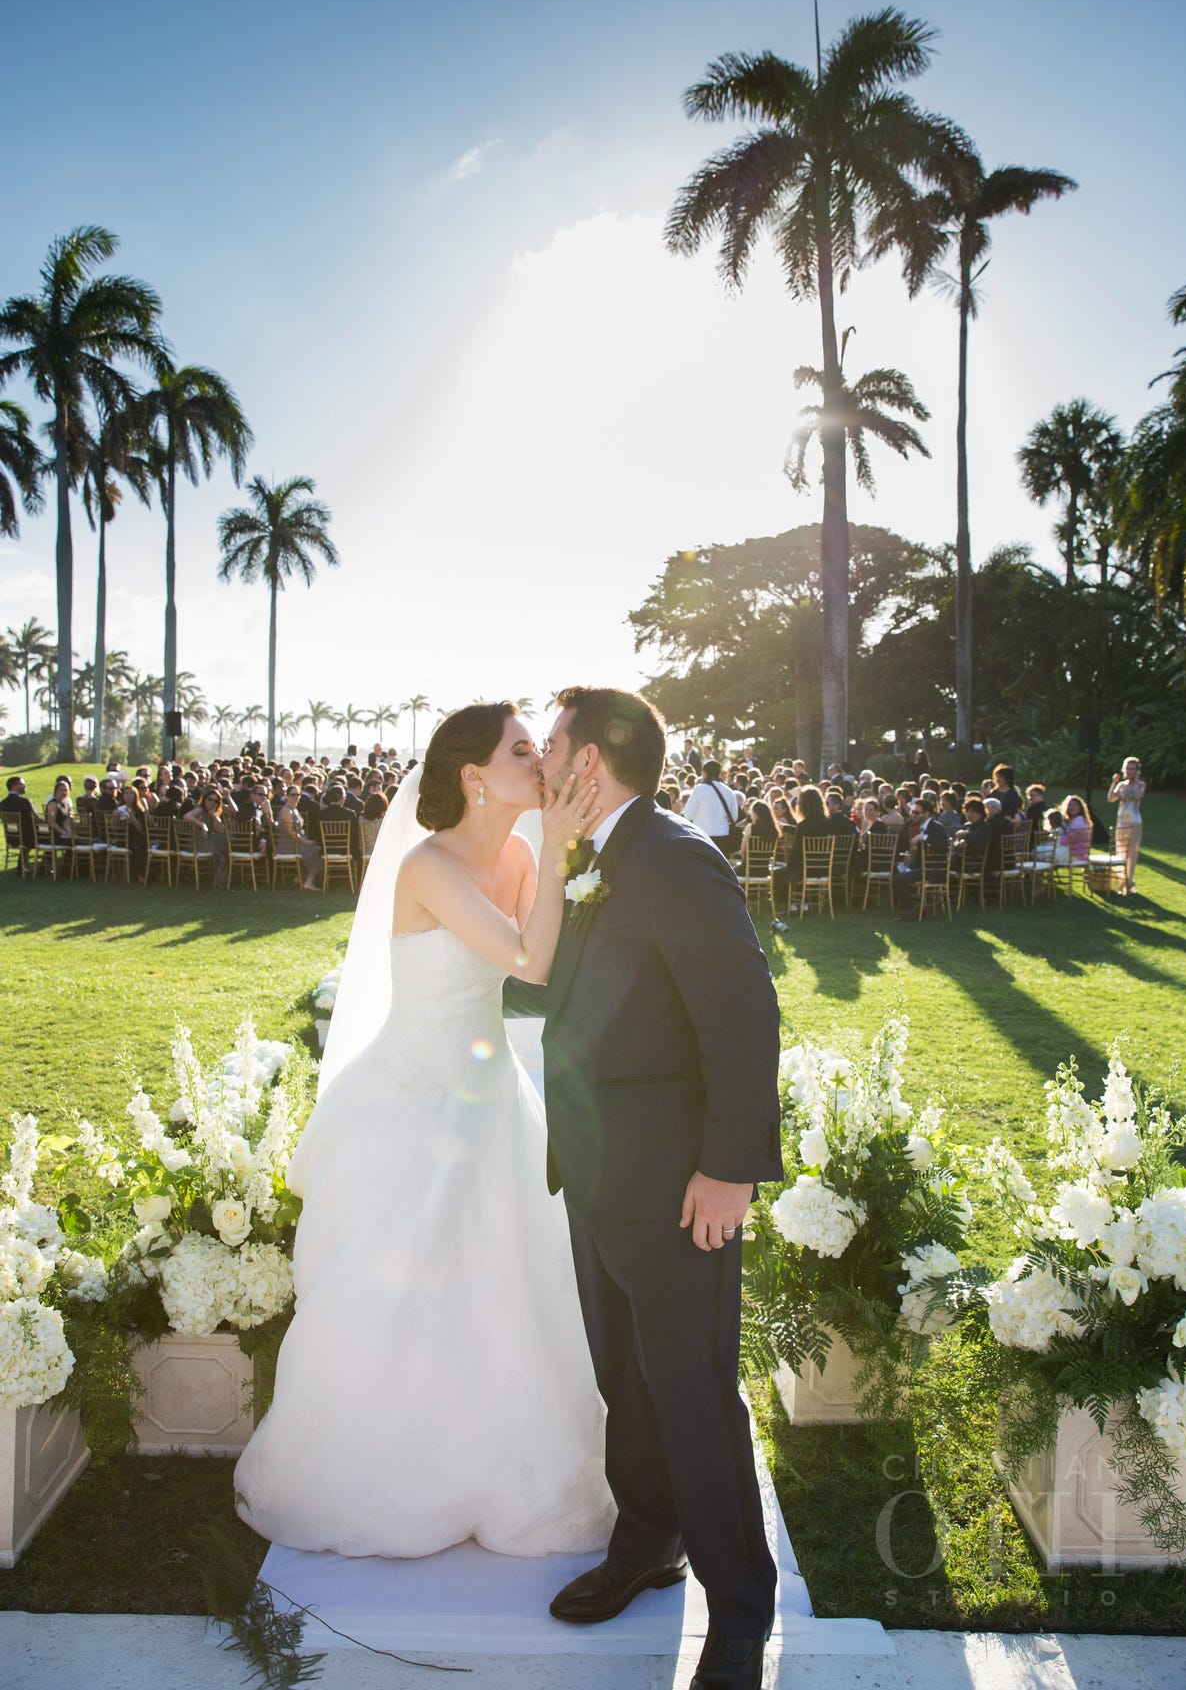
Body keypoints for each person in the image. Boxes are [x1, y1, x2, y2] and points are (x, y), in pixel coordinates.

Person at [234, 701, 613, 1560]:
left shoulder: (516, 851)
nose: (538, 761)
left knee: (507, 1279)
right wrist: (558, 849)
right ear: (474, 775)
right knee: (394, 1287)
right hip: (409, 1102)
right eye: (522, 751)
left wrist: (554, 852)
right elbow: (530, 958)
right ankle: (381, 1473)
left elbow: (544, 951)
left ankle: (505, 1464)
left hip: (489, 1097)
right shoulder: (428, 865)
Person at [522, 687, 780, 1690]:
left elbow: (743, 1014)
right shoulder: (593, 858)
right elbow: (555, 990)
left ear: (592, 762)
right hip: (596, 1176)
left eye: (551, 747)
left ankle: (741, 1613)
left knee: (692, 1392)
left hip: (679, 1190)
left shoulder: (673, 857)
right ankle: (648, 1543)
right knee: (625, 1381)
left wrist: (728, 1170)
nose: (543, 762)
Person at [683, 759, 742, 859]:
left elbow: (688, 814)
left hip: (702, 835)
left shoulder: (699, 789)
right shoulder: (728, 791)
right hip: (723, 837)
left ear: (704, 773)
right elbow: (734, 817)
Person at [1107, 756, 1146, 893]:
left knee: (1132, 852)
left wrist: (1134, 781)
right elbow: (1111, 798)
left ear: (1137, 771)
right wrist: (1114, 783)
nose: (1129, 771)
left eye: (1132, 769)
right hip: (1122, 821)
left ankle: (1130, 880)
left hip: (1135, 821)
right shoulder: (1121, 785)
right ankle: (1122, 882)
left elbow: (1138, 796)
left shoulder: (1140, 784)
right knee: (1121, 851)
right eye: (1127, 768)